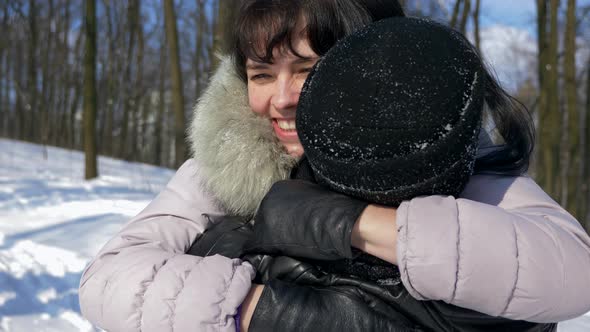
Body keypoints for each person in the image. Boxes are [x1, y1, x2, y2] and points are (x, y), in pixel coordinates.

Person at [78, 1, 590, 332]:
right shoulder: (229, 156)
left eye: (307, 69)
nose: (281, 99)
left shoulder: (440, 155)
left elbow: (569, 272)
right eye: (261, 74)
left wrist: (348, 222)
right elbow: (109, 280)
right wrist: (266, 311)